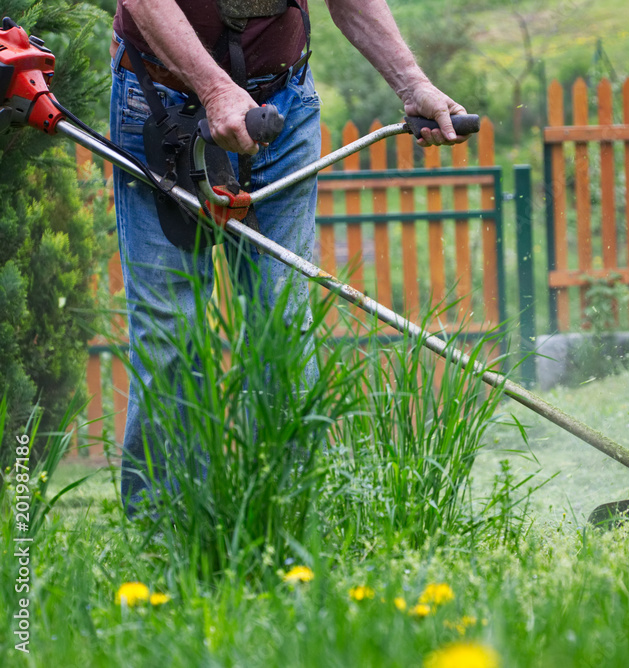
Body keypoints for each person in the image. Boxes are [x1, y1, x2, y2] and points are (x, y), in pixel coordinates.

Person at [110, 0, 468, 515]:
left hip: (283, 105)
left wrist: (412, 84)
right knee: (171, 327)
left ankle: (285, 519)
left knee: (283, 323)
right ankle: (164, 536)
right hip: (161, 102)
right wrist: (214, 91)